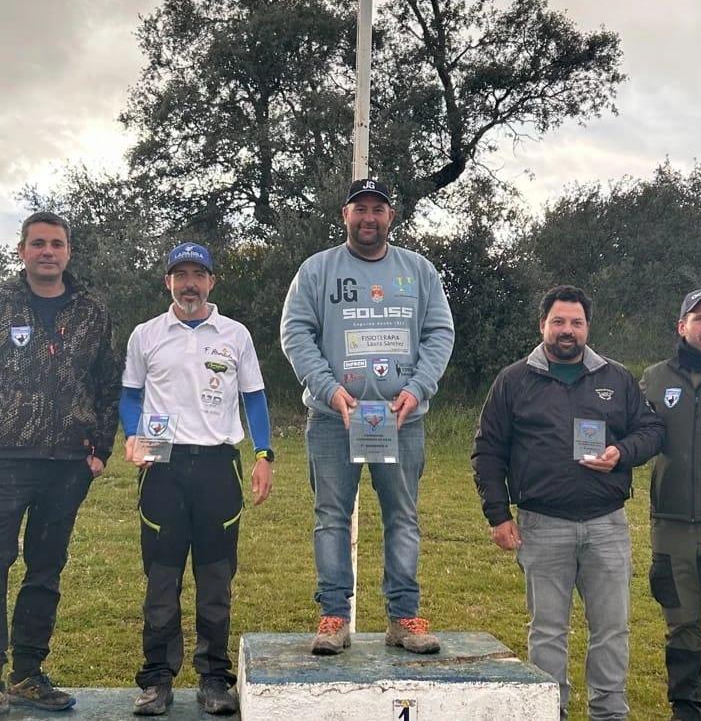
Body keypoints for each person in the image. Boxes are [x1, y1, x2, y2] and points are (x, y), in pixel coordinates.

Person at [472, 284, 665, 720]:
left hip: (607, 524)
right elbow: (488, 450)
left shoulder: (616, 378)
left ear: (587, 328)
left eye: (575, 322)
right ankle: (548, 710)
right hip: (542, 524)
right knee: (547, 632)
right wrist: (499, 515)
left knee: (612, 629)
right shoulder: (514, 380)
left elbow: (651, 431)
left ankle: (608, 711)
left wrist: (621, 453)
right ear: (542, 325)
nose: (567, 330)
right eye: (558, 321)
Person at [280, 178, 454, 656]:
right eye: (361, 209)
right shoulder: (317, 270)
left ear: (390, 216)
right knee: (331, 518)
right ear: (345, 215)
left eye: (378, 209)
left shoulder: (418, 271)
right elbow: (296, 334)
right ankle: (334, 615)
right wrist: (330, 390)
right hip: (335, 419)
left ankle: (403, 618)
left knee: (403, 518)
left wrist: (416, 392)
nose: (369, 217)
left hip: (402, 420)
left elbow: (439, 334)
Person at [120, 242, 273, 716]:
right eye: (180, 274)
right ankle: (157, 678)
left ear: (211, 281)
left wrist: (264, 452)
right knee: (162, 579)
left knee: (215, 578)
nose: (189, 283)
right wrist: (131, 436)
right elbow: (130, 396)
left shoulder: (235, 335)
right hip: (161, 467)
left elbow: (255, 399)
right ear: (167, 281)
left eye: (198, 275)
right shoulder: (146, 335)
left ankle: (213, 678)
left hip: (216, 467)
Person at [0, 211, 120, 713]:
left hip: (68, 463)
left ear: (68, 252)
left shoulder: (92, 309)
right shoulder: (3, 302)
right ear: (23, 250)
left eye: (56, 244)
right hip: (6, 459)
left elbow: (109, 381)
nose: (47, 251)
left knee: (45, 570)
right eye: (38, 243)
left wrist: (100, 447)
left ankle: (26, 674)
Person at [641, 288, 701, 721]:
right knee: (682, 626)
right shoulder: (654, 378)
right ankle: (687, 710)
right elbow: (634, 436)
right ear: (682, 326)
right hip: (672, 526)